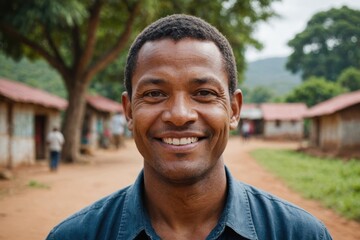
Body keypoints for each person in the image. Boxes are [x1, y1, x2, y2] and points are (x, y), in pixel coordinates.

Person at [46, 14, 332, 239]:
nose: (180, 115)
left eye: (204, 93)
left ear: (234, 110)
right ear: (128, 111)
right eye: (155, 94)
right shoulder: (75, 235)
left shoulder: (300, 234)